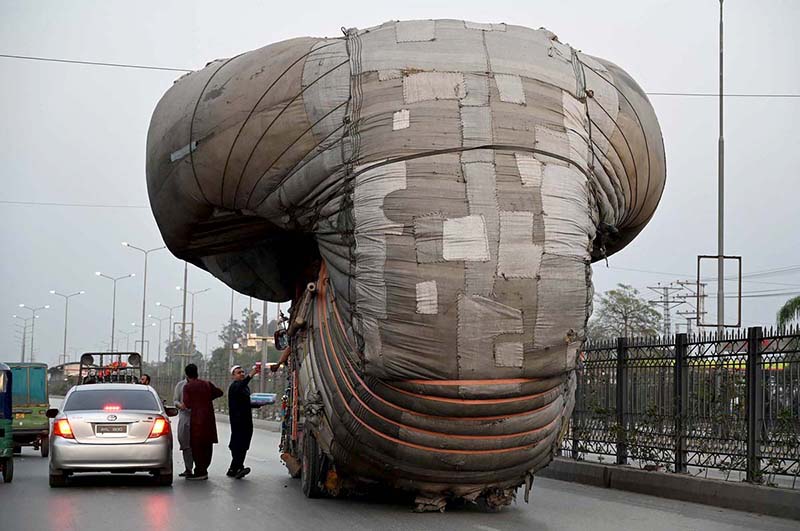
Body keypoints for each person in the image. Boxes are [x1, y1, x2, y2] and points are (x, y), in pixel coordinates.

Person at [181, 363, 224, 480]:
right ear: (197, 372)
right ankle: (204, 468)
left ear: (186, 375)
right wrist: (207, 398)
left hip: (196, 421)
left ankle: (200, 471)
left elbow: (187, 404)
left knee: (196, 446)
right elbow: (220, 392)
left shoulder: (187, 387)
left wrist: (181, 406)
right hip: (209, 419)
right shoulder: (206, 384)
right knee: (207, 445)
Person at [227, 364, 263, 479]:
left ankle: (234, 468)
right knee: (238, 444)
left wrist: (257, 404)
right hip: (238, 421)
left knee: (244, 445)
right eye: (239, 372)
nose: (242, 374)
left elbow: (245, 402)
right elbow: (240, 387)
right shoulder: (235, 386)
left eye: (243, 372)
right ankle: (238, 467)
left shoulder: (244, 388)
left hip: (246, 419)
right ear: (233, 376)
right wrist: (251, 374)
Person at [173, 375, 193, 477]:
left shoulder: (200, 385)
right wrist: (180, 406)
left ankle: (200, 468)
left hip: (197, 417)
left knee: (197, 445)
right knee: (185, 443)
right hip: (185, 417)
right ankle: (188, 468)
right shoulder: (180, 385)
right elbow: (175, 400)